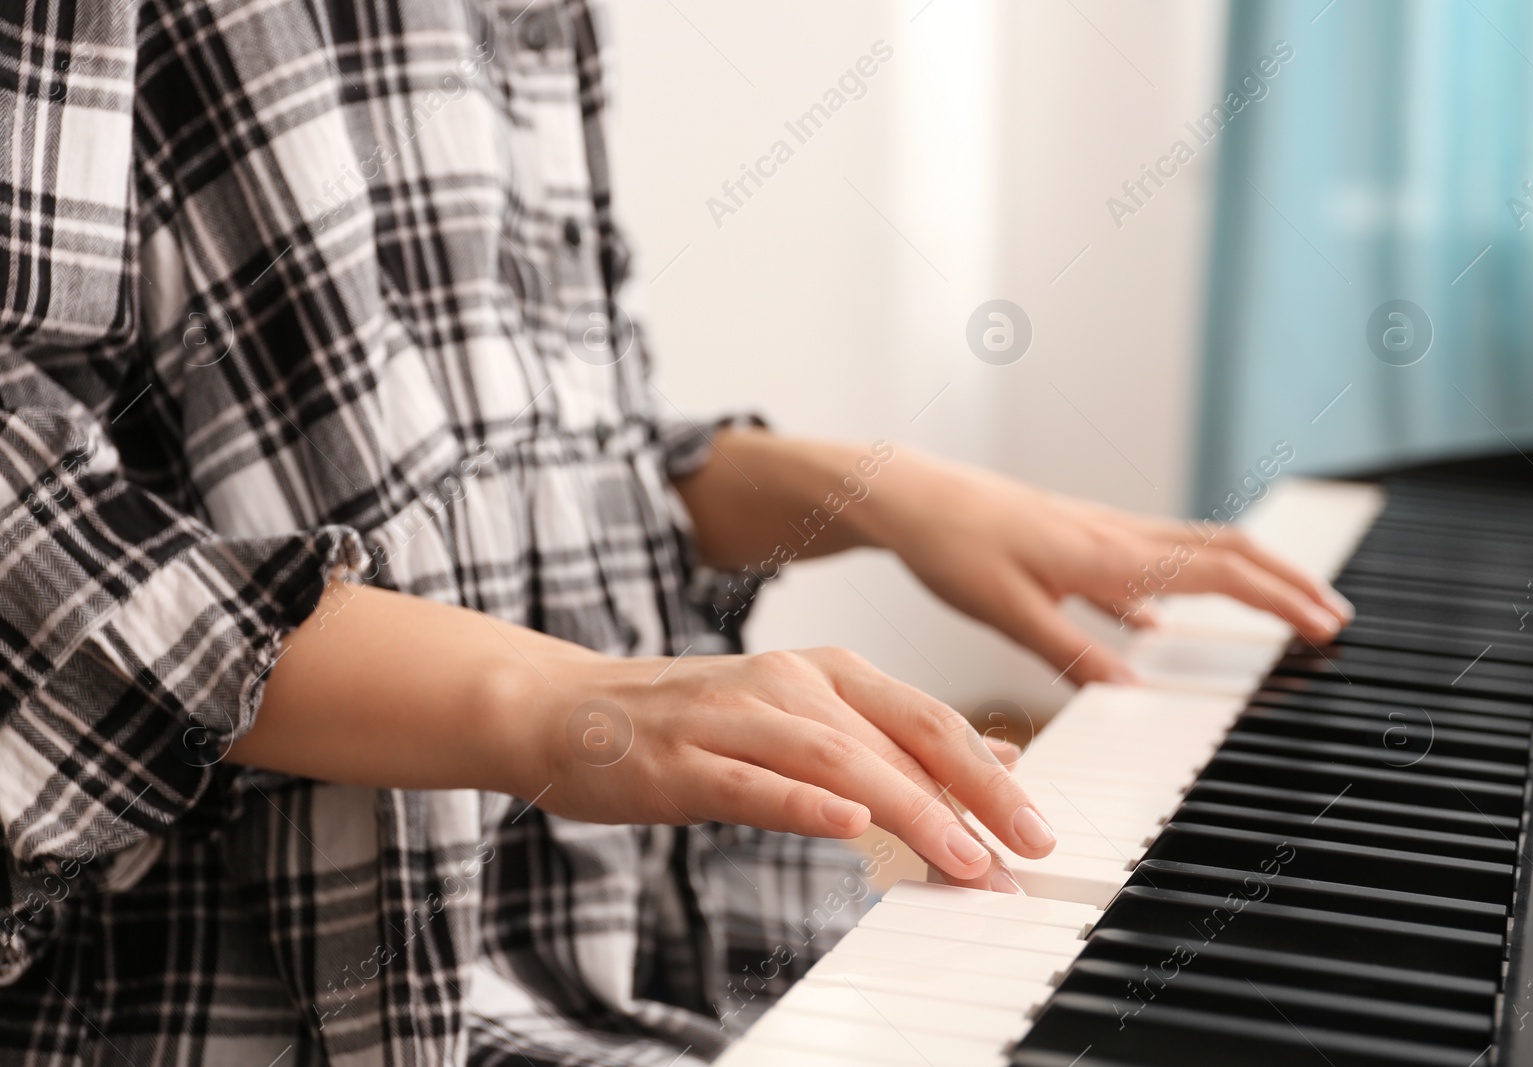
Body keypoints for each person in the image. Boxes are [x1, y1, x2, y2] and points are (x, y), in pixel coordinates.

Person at [0, 2, 1351, 1063]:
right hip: (268, 1004)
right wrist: (556, 700)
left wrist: (883, 489)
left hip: (635, 948)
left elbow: (547, 440)